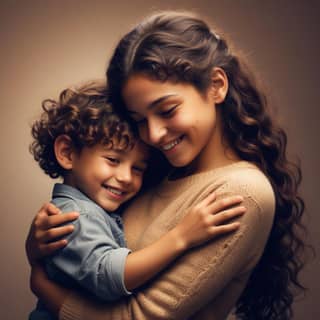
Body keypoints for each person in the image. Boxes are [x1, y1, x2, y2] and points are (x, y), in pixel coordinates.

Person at [25, 11, 307, 320]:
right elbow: (90, 251)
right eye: (139, 120)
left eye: (167, 109)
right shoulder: (157, 170)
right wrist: (39, 249)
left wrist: (43, 286)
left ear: (216, 85)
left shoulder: (241, 192)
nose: (154, 134)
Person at [28, 80, 245, 320]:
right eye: (113, 159)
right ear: (67, 153)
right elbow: (109, 277)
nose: (125, 178)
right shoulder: (76, 217)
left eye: (138, 168)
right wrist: (182, 236)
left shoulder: (98, 208)